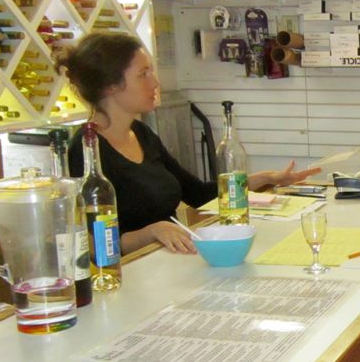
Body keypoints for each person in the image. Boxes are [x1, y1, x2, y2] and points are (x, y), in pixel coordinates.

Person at [56, 33, 319, 255]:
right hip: (131, 273)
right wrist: (152, 231)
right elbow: (95, 244)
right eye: (143, 74)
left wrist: (265, 178)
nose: (155, 82)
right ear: (110, 86)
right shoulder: (85, 150)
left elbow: (197, 194)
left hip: (166, 262)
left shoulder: (141, 134)